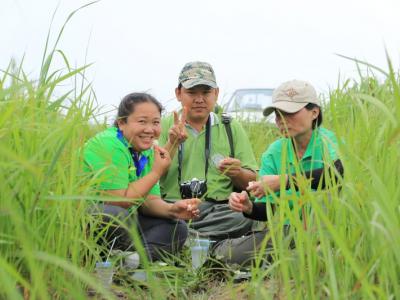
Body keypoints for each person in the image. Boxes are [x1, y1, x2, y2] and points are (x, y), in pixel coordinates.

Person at [212, 79, 344, 266]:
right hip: (290, 231)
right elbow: (269, 209)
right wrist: (249, 207)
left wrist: (285, 181)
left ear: (314, 112)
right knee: (228, 255)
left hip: (327, 229)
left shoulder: (329, 141)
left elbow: (337, 173)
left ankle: (314, 255)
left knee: (325, 199)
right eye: (278, 114)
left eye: (290, 113)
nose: (282, 120)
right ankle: (301, 258)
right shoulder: (274, 153)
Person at [83, 92, 200, 261]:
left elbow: (149, 201)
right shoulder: (109, 144)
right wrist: (155, 172)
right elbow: (118, 201)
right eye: (142, 121)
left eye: (156, 123)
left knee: (178, 228)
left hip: (125, 221)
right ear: (122, 123)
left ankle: (130, 260)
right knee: (115, 216)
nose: (149, 129)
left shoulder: (145, 150)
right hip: (90, 218)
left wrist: (172, 209)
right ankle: (103, 257)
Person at [159, 61, 258, 241]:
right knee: (152, 216)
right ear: (178, 93)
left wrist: (237, 173)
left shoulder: (230, 127)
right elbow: (148, 176)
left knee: (242, 218)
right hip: (174, 207)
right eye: (191, 93)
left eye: (206, 92)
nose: (199, 99)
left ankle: (184, 240)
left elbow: (253, 182)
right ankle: (201, 241)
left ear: (216, 93)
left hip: (218, 209)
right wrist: (171, 144)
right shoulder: (163, 125)